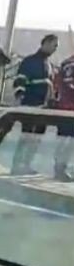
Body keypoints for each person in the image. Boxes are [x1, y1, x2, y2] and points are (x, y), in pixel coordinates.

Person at [12, 34, 58, 175]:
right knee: (27, 136)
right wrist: (21, 97)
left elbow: (51, 85)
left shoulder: (49, 64)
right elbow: (20, 81)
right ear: (45, 43)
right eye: (54, 45)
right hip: (30, 106)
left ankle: (27, 164)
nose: (55, 49)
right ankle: (17, 165)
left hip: (43, 108)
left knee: (36, 138)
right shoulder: (30, 61)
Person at [53, 52, 74, 181]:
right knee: (66, 141)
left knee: (68, 141)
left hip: (67, 108)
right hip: (68, 109)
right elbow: (69, 84)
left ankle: (62, 168)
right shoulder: (70, 64)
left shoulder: (67, 63)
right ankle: (60, 169)